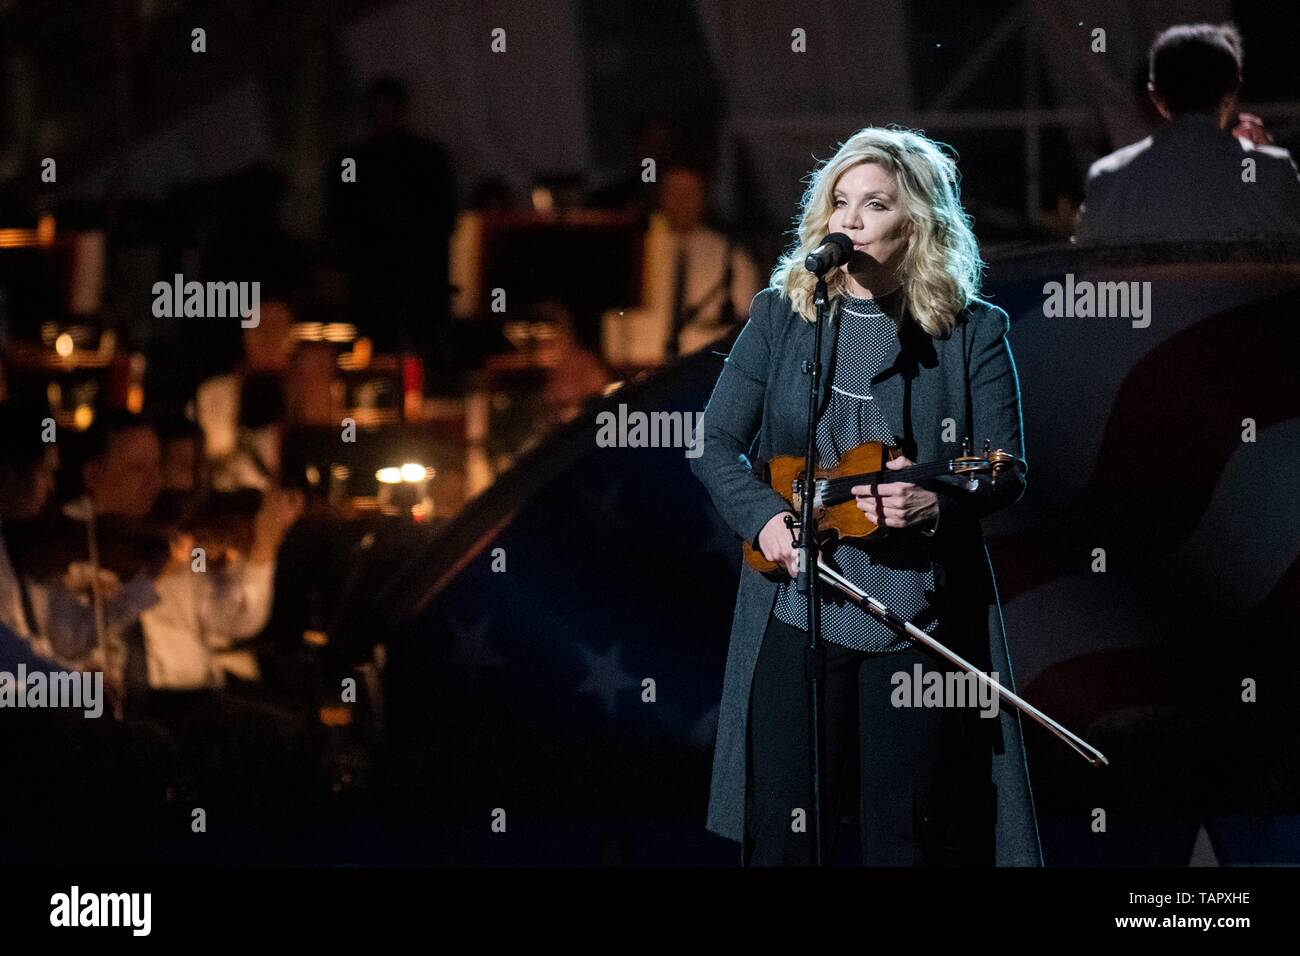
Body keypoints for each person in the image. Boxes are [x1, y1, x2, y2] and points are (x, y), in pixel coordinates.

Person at [690, 127, 1042, 866]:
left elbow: (1005, 470)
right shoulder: (782, 316)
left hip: (911, 607)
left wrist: (937, 502)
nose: (848, 220)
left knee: (903, 836)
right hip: (799, 603)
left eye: (874, 204)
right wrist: (767, 521)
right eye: (839, 202)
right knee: (785, 832)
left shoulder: (972, 331)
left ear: (916, 223)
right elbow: (713, 443)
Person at [1076, 22, 1300, 243]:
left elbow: (1093, 268)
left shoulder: (1109, 176)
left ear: (1155, 97)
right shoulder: (1274, 170)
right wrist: (1268, 162)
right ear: (1232, 92)